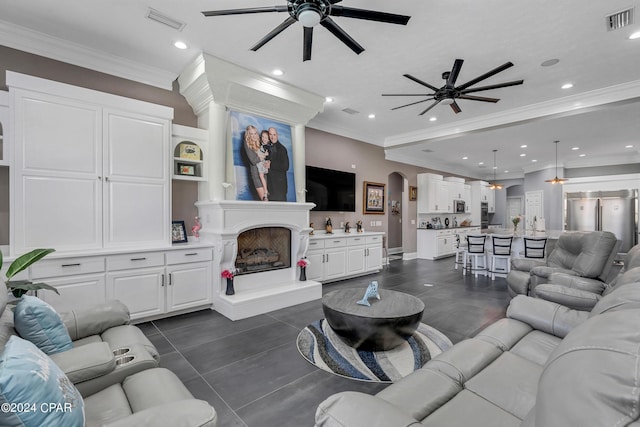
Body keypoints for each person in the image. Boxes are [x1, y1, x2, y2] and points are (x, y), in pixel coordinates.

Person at [243, 125, 268, 201]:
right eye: (251, 134)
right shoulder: (247, 143)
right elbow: (253, 160)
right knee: (264, 199)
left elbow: (265, 158)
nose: (253, 136)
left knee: (267, 198)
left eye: (255, 133)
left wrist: (267, 162)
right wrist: (263, 156)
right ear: (248, 135)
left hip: (264, 174)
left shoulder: (259, 143)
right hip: (256, 175)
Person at [265, 127, 289, 201]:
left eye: (274, 135)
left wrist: (271, 165)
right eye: (270, 134)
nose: (272, 137)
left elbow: (286, 166)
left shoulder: (282, 149)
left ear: (277, 135)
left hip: (279, 187)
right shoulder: (268, 148)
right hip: (271, 186)